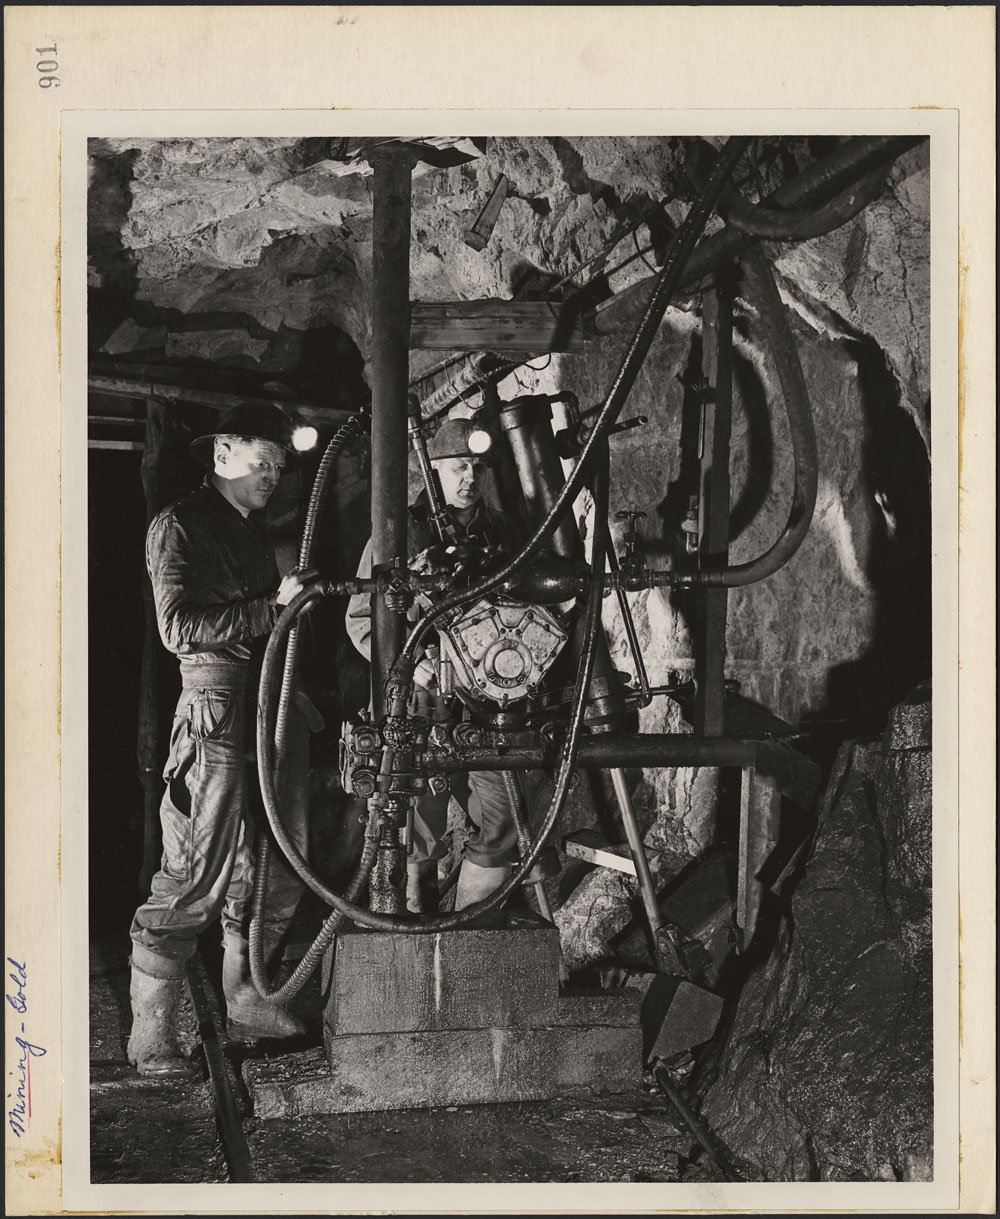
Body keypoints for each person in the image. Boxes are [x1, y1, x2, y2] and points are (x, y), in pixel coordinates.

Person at [128, 403, 321, 1078]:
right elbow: (178, 626)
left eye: (277, 465)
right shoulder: (180, 524)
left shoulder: (247, 530)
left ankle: (244, 993)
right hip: (215, 703)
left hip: (270, 702)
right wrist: (273, 606)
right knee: (196, 870)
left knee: (278, 855)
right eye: (259, 460)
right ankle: (151, 1031)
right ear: (221, 455)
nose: (270, 474)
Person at [345, 417, 523, 914]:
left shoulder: (503, 531)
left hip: (489, 704)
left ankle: (462, 935)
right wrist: (410, 663)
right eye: (457, 467)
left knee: (502, 816)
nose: (469, 477)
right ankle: (415, 932)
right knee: (414, 828)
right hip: (420, 704)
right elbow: (362, 619)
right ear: (435, 471)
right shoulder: (400, 530)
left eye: (476, 466)